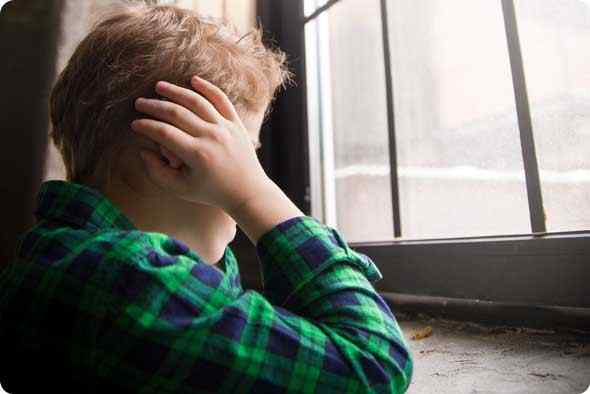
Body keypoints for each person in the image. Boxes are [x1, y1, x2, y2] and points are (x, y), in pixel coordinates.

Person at [0, 3, 413, 393]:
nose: (251, 172)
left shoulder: (61, 256)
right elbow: (373, 367)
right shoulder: (131, 281)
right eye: (242, 155)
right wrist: (255, 196)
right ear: (175, 156)